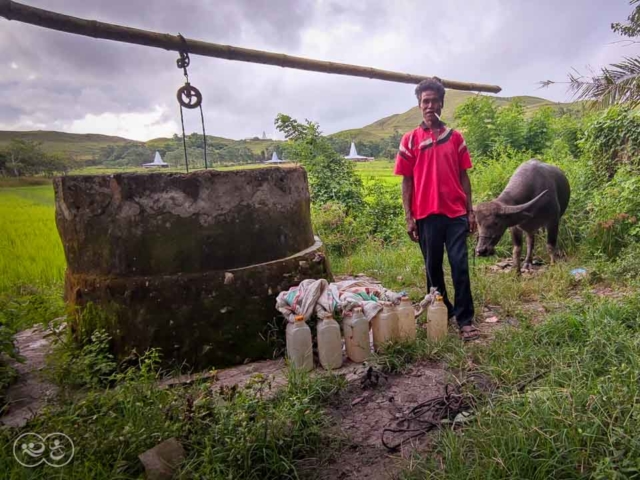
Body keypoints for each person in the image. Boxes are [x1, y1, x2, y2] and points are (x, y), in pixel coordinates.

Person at [394, 77, 479, 341]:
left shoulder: (455, 138)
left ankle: (465, 319)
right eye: (425, 101)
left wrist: (470, 210)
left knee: (459, 265)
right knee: (433, 268)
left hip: (455, 214)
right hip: (426, 216)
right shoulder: (410, 140)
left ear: (441, 103)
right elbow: (407, 181)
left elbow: (464, 176)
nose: (430, 106)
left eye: (434, 101)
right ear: (419, 105)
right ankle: (443, 311)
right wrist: (409, 217)